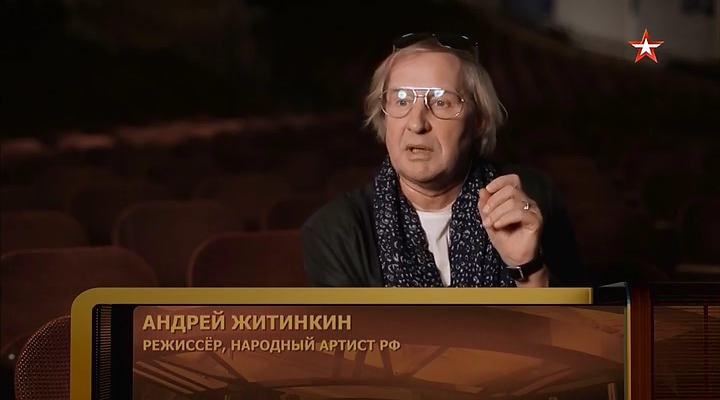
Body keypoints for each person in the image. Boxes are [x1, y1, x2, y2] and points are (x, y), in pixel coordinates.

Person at [301, 33, 585, 288]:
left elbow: (575, 326)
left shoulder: (534, 196)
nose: (416, 123)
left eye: (441, 102)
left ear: (479, 120)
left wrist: (528, 269)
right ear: (384, 118)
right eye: (401, 100)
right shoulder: (334, 231)